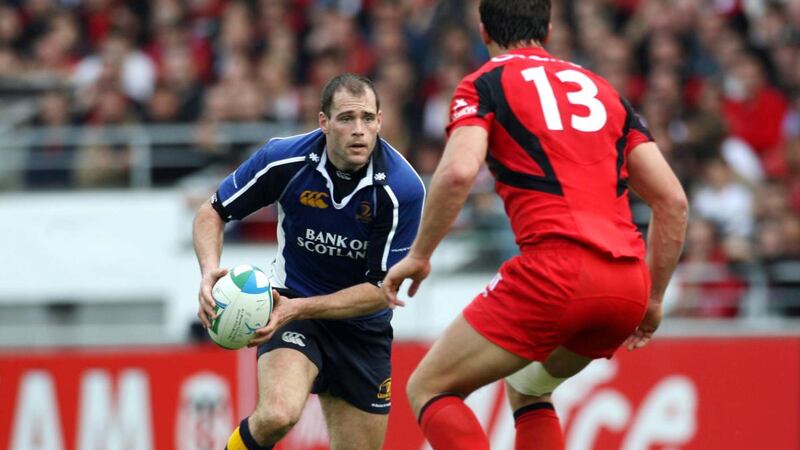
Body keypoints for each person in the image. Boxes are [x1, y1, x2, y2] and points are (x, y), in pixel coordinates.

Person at [382, 1, 689, 449]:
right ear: (547, 29)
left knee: (430, 387)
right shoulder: (603, 91)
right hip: (627, 285)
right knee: (530, 387)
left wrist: (420, 255)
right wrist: (655, 298)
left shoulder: (483, 84)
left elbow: (457, 172)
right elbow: (674, 201)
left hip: (557, 272)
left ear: (483, 31)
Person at [193, 73, 425, 450]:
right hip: (289, 303)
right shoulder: (283, 159)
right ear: (323, 122)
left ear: (381, 121)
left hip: (361, 329)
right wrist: (208, 272)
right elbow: (212, 211)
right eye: (346, 118)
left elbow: (382, 292)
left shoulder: (402, 190)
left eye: (368, 118)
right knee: (277, 415)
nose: (359, 130)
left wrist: (298, 309)